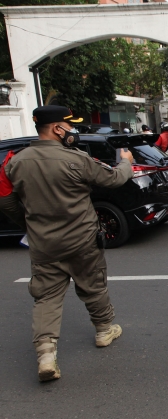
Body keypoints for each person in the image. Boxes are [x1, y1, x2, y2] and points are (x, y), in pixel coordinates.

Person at [0, 105, 134, 382]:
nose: (72, 131)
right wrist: (126, 161)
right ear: (57, 129)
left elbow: (5, 200)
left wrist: (28, 225)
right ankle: (103, 330)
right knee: (93, 285)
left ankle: (46, 354)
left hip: (43, 244)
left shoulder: (15, 162)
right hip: (82, 239)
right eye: (68, 126)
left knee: (46, 296)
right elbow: (115, 179)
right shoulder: (77, 159)